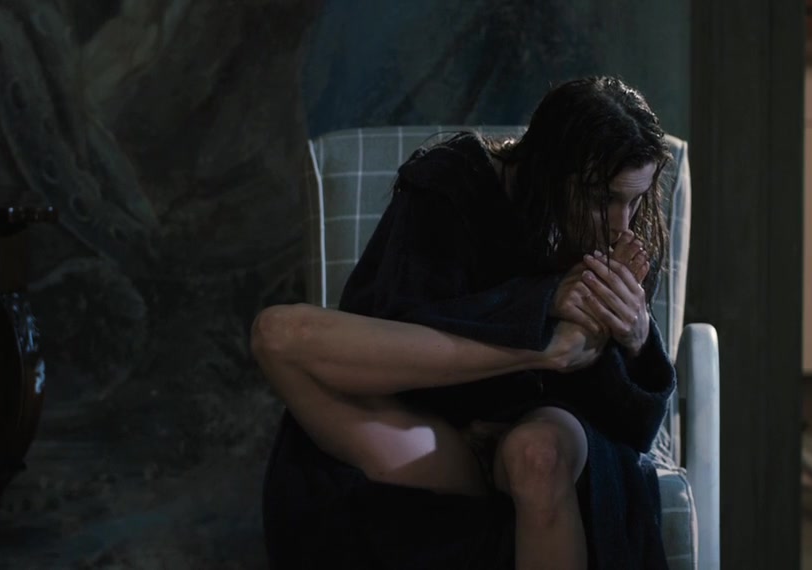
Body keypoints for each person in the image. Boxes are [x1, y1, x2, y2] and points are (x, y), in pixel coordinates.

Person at [253, 76, 676, 570]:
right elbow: (395, 330)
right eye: (604, 199)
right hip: (430, 427)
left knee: (538, 455)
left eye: (636, 199)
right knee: (277, 333)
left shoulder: (626, 235)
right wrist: (542, 313)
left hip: (543, 429)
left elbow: (632, 432)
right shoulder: (451, 186)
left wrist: (636, 338)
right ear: (551, 173)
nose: (623, 222)